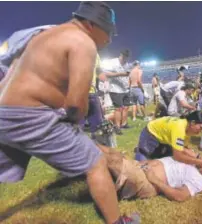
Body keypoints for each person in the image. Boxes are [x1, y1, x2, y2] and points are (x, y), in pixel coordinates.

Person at [0, 2, 138, 224]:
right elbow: (75, 104)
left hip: (3, 113)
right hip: (29, 117)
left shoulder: (43, 33)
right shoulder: (83, 41)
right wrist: (74, 123)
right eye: (109, 33)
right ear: (92, 25)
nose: (109, 40)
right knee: (95, 164)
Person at [101, 146, 202, 202]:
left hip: (147, 181)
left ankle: (84, 146)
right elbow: (179, 145)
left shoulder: (198, 179)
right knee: (111, 152)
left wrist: (154, 179)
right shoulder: (189, 159)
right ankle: (84, 142)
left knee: (112, 160)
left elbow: (180, 196)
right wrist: (196, 157)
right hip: (139, 166)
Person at [135, 111, 202, 167]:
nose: (201, 131)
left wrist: (198, 156)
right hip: (150, 134)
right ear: (192, 123)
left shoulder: (187, 129)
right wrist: (199, 162)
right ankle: (140, 152)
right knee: (143, 166)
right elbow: (178, 156)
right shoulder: (180, 128)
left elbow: (183, 148)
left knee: (162, 162)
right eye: (201, 128)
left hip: (163, 139)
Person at [103, 50, 131, 135]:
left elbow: (127, 75)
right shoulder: (113, 62)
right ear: (121, 55)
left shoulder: (126, 64)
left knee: (126, 107)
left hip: (125, 89)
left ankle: (124, 124)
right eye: (124, 57)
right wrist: (119, 74)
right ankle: (117, 127)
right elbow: (106, 73)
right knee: (118, 109)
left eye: (127, 57)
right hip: (115, 89)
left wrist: (128, 83)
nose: (125, 59)